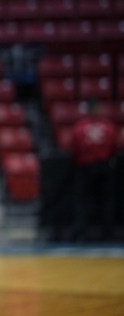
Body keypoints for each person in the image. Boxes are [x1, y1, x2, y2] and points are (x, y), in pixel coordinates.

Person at [70, 98, 118, 241]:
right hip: (102, 166)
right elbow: (114, 147)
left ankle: (83, 233)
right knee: (104, 201)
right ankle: (106, 233)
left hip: (86, 167)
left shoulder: (80, 127)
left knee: (86, 201)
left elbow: (75, 148)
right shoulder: (108, 126)